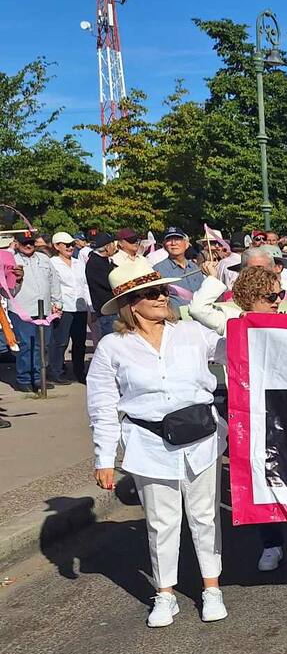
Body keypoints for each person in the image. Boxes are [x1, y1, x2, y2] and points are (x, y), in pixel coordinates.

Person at [86, 260, 228, 627]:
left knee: (205, 516)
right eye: (151, 293)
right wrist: (104, 457)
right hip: (150, 443)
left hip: (202, 438)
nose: (162, 297)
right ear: (130, 304)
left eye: (163, 290)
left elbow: (236, 349)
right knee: (162, 522)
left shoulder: (192, 332)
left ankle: (212, 587)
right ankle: (165, 593)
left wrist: (222, 300)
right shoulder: (112, 347)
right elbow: (102, 406)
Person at [190, 261, 287, 571]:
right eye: (271, 296)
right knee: (262, 478)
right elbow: (198, 309)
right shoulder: (232, 319)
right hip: (252, 413)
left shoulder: (286, 318)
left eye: (280, 294)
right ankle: (271, 544)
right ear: (250, 296)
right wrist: (213, 278)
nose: (278, 301)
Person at [6, 232, 62, 392]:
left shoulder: (44, 259)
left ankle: (38, 378)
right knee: (26, 345)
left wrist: (57, 302)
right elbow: (7, 289)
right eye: (25, 243)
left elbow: (54, 281)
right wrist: (17, 279)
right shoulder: (11, 261)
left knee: (42, 345)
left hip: (44, 310)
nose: (29, 245)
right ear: (17, 243)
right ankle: (24, 379)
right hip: (22, 310)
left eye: (31, 242)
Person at [48, 231, 91, 384]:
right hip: (63, 307)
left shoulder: (79, 263)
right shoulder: (52, 263)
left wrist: (89, 305)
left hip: (79, 307)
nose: (70, 247)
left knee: (79, 342)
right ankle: (56, 371)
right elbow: (51, 286)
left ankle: (79, 372)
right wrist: (54, 304)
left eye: (72, 244)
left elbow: (85, 285)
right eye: (66, 245)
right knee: (60, 341)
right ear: (56, 246)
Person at [153, 227, 206, 311]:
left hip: (200, 314)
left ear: (186, 244)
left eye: (177, 239)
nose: (173, 243)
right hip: (176, 317)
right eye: (169, 240)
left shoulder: (195, 268)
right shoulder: (158, 270)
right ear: (164, 245)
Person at [85, 232, 120, 337]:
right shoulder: (96, 263)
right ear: (107, 247)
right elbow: (110, 283)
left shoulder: (104, 260)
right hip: (107, 310)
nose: (115, 247)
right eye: (113, 244)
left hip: (112, 310)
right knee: (112, 340)